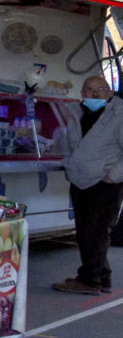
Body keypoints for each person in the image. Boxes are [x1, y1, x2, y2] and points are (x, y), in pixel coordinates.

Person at [60, 73, 121, 294]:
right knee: (85, 231)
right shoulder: (77, 112)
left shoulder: (119, 115)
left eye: (100, 90)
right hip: (80, 180)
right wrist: (70, 165)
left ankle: (89, 281)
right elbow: (69, 143)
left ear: (110, 93)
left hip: (105, 182)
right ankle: (101, 276)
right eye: (89, 90)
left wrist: (113, 175)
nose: (94, 94)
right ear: (82, 93)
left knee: (96, 232)